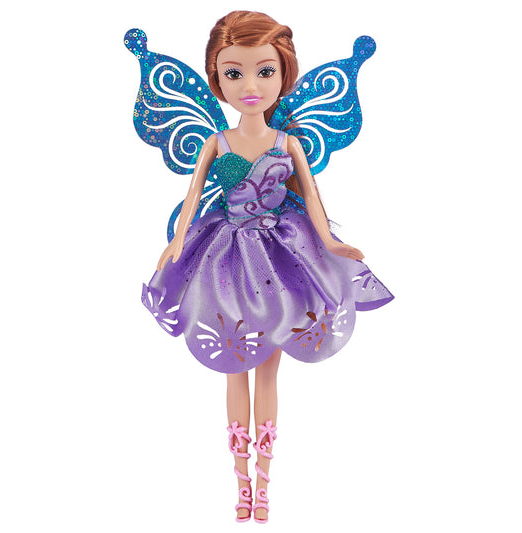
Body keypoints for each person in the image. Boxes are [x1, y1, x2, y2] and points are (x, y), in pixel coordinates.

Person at [140, 10, 393, 523]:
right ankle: (240, 484)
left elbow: (313, 202)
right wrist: (176, 243)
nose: (250, 86)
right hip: (224, 258)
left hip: (280, 257)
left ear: (284, 75)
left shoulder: (287, 143)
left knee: (269, 370)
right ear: (216, 78)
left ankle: (264, 484)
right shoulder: (217, 143)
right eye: (234, 73)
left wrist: (332, 243)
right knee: (234, 367)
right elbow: (191, 200)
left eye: (265, 71)